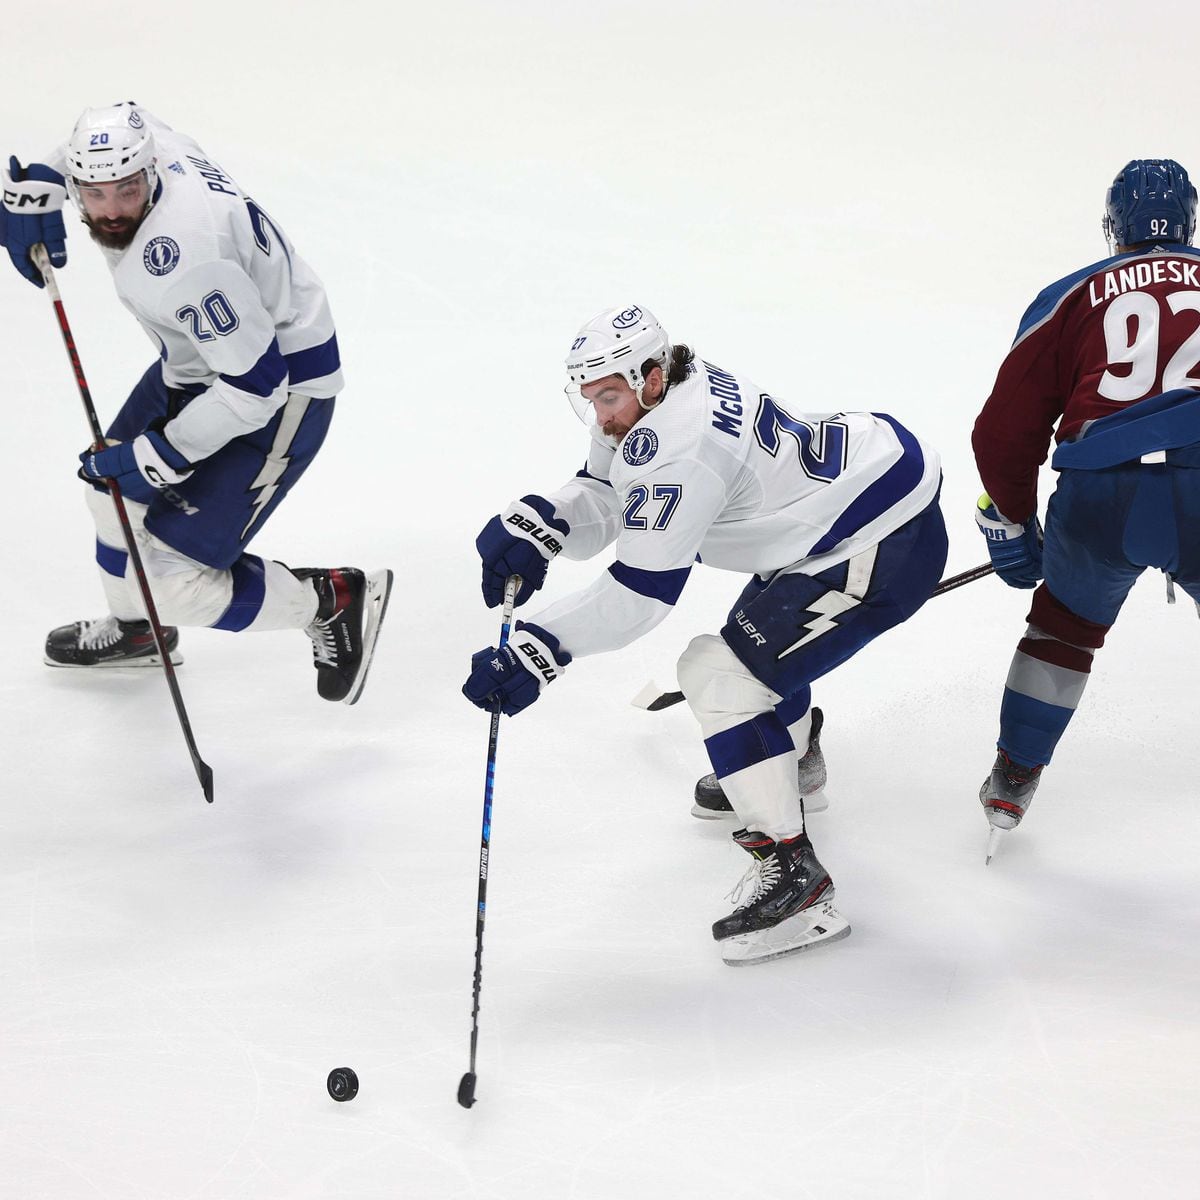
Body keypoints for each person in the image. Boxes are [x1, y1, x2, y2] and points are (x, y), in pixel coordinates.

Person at [462, 306, 947, 965]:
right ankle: (791, 763)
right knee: (755, 651)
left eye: (608, 396)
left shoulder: (683, 447)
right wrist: (544, 523)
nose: (601, 416)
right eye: (591, 399)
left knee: (721, 676)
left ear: (651, 376)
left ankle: (796, 879)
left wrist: (538, 647)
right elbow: (610, 489)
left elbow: (641, 593)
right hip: (841, 506)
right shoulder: (657, 396)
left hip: (878, 537)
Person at [0, 103, 391, 704]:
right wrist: (47, 181)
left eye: (125, 192)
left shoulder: (185, 259)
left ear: (149, 174)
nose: (109, 211)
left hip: (282, 391)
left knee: (174, 583)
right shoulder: (150, 143)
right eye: (92, 192)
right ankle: (140, 632)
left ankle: (332, 600)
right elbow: (124, 113)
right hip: (207, 360)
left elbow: (260, 388)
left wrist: (161, 453)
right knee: (109, 494)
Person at [972, 159, 1200, 850]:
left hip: (1103, 494)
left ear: (1113, 228)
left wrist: (1012, 518)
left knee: (1062, 632)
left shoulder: (1069, 294)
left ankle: (1013, 779)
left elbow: (1004, 430)